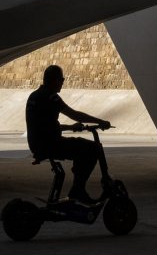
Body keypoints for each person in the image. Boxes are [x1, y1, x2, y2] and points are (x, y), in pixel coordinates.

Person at [25, 65, 112, 204]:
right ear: (56, 81)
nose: (63, 82)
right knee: (93, 149)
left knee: (79, 147)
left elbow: (44, 125)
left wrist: (70, 127)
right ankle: (78, 190)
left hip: (37, 144)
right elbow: (75, 115)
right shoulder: (51, 97)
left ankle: (77, 188)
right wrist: (100, 122)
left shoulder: (34, 95)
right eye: (62, 79)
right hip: (50, 144)